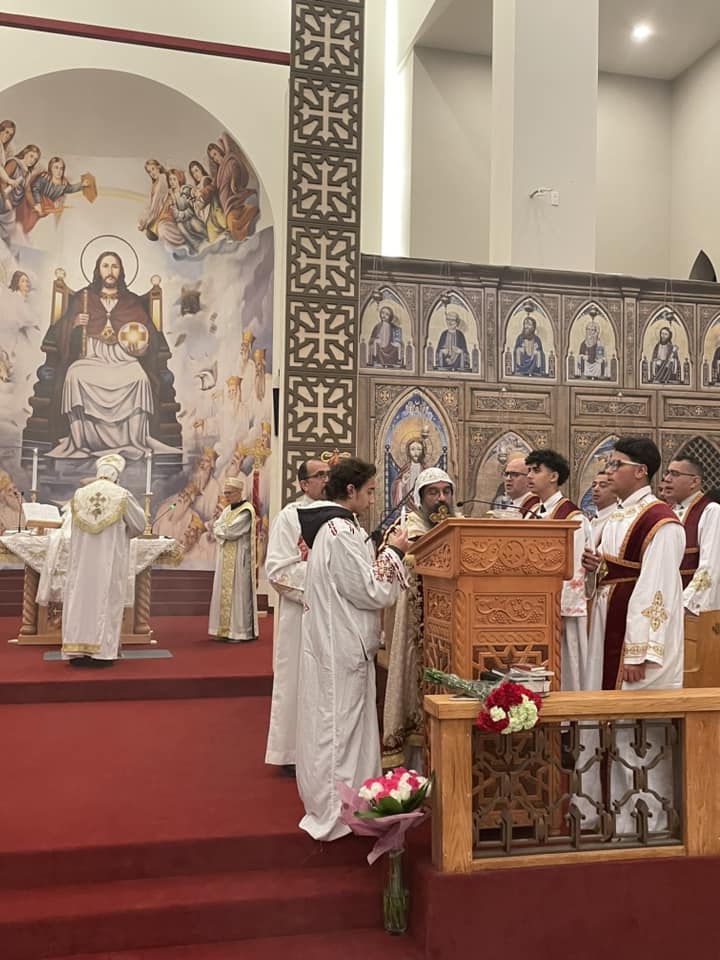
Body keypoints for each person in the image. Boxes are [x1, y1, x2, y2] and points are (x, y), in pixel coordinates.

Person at [295, 457, 409, 841]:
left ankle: (353, 801)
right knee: (339, 729)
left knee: (346, 727)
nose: (373, 499)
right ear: (350, 490)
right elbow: (370, 591)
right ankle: (337, 811)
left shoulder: (337, 528)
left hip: (339, 643)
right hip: (340, 647)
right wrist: (394, 552)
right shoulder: (339, 531)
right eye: (370, 491)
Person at [581, 438, 684, 834]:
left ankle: (644, 820)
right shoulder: (619, 515)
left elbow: (657, 590)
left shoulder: (660, 521)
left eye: (616, 464)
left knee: (637, 731)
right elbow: (617, 572)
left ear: (640, 471)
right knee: (606, 723)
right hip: (610, 626)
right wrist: (597, 569)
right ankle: (604, 809)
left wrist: (639, 653)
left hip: (638, 643)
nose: (608, 472)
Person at [42, 250, 179, 460]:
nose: (110, 271)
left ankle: (135, 441)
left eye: (115, 266)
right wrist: (75, 323)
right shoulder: (84, 297)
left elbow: (151, 335)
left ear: (121, 271)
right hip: (91, 356)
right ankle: (80, 441)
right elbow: (60, 330)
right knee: (74, 376)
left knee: (140, 379)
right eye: (105, 266)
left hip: (123, 357)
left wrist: (142, 347)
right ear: (98, 270)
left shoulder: (131, 302)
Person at [382, 466, 458, 769]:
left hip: (452, 629)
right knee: (414, 688)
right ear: (419, 497)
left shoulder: (460, 527)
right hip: (415, 628)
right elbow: (386, 570)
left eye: (446, 492)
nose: (441, 499)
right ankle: (413, 769)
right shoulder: (404, 530)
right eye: (433, 492)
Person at [264, 459, 329, 776]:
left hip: (335, 618)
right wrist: (325, 582)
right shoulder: (290, 517)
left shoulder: (340, 516)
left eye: (329, 475)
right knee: (298, 680)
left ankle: (325, 753)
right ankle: (291, 753)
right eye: (320, 475)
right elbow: (278, 571)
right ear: (304, 484)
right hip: (301, 614)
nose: (326, 479)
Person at [61, 454, 145, 667]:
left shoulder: (80, 494)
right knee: (106, 600)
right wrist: (123, 533)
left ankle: (76, 652)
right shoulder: (122, 495)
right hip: (109, 560)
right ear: (117, 475)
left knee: (79, 600)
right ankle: (101, 654)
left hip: (82, 562)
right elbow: (139, 525)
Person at [525, 449, 592, 690]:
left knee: (566, 665)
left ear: (554, 476)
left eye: (536, 470)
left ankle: (568, 711)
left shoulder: (572, 517)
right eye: (528, 470)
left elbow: (574, 568)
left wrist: (561, 612)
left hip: (562, 610)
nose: (529, 476)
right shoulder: (533, 513)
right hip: (535, 605)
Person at [662, 454, 720, 616]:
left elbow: (710, 566)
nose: (667, 479)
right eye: (667, 473)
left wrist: (685, 605)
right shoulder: (667, 511)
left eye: (674, 474)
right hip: (663, 604)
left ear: (694, 481)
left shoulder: (711, 511)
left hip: (688, 609)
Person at [208, 475, 258, 643]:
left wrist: (220, 530)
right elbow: (216, 525)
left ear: (238, 492)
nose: (226, 496)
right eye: (225, 493)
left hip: (238, 560)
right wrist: (220, 529)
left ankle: (239, 632)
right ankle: (223, 630)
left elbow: (231, 531)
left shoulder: (246, 511)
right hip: (225, 558)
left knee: (237, 595)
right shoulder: (228, 510)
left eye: (229, 493)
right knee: (222, 592)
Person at [390, 437, 427, 508]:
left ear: (423, 451)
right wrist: (402, 483)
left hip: (422, 505)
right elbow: (396, 486)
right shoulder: (406, 469)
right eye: (412, 449)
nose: (416, 452)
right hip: (407, 505)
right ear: (408, 452)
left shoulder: (426, 470)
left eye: (419, 449)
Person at [589, 468, 617, 548]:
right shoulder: (591, 520)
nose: (596, 489)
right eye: (593, 485)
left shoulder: (617, 521)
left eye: (603, 485)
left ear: (616, 492)